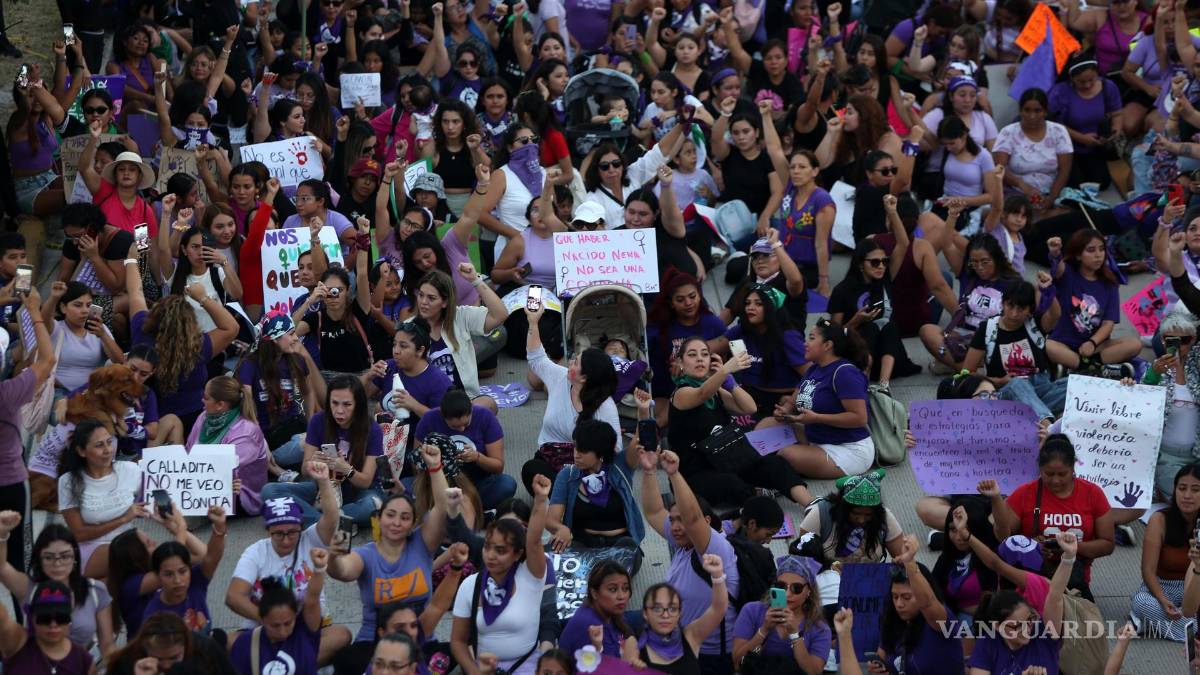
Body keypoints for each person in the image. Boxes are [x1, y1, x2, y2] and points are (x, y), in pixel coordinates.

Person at [225, 467, 351, 665]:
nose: (286, 540)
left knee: (341, 636)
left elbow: (332, 518)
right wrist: (272, 621)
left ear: (301, 528)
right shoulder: (255, 552)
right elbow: (233, 597)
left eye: (292, 532)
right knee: (229, 642)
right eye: (279, 534)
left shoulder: (311, 539)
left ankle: (278, 665)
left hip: (306, 628)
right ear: (268, 532)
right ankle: (295, 664)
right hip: (264, 629)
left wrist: (324, 481)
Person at [667, 337, 811, 507]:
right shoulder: (680, 394)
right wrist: (724, 371)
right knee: (732, 484)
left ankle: (812, 505)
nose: (699, 358)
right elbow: (701, 394)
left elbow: (749, 408)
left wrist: (730, 382)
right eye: (692, 354)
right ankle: (759, 499)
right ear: (681, 362)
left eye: (705, 354)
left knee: (776, 464)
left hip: (726, 461)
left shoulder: (717, 390)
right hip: (696, 473)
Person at [640, 449, 739, 674]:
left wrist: (674, 474)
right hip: (680, 642)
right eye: (673, 520)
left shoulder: (715, 548)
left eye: (681, 520)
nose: (675, 526)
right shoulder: (683, 543)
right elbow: (654, 511)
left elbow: (692, 518)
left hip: (710, 657)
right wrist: (648, 471)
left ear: (706, 521)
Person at [990, 434, 1120, 600]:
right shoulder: (1025, 493)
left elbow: (1108, 545)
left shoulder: (1092, 493)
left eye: (1062, 474)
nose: (1056, 481)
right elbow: (1004, 537)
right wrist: (1032, 547)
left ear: (1073, 468)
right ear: (1039, 469)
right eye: (1049, 474)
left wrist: (1072, 548)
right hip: (1030, 578)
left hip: (1073, 581)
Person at [125, 243, 238, 433]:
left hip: (151, 421)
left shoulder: (142, 331)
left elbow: (135, 293)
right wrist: (203, 298)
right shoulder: (198, 346)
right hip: (193, 420)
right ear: (189, 322)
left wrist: (131, 259)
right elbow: (231, 327)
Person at [326, 467, 449, 641]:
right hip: (374, 642)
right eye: (390, 515)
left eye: (405, 518)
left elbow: (444, 508)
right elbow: (342, 572)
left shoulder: (422, 543)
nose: (396, 523)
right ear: (378, 518)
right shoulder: (366, 554)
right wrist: (333, 556)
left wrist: (435, 467)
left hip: (420, 641)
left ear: (413, 524)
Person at [449, 473, 551, 675]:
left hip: (526, 668)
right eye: (488, 547)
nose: (491, 556)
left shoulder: (532, 577)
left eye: (501, 550)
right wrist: (474, 672)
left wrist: (540, 500)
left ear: (517, 554)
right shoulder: (470, 585)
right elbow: (458, 642)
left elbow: (534, 541)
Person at [519, 301, 620, 492]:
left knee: (587, 485)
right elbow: (537, 358)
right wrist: (533, 322)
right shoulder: (560, 378)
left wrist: (585, 459)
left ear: (585, 377)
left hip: (586, 466)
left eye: (576, 363)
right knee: (532, 470)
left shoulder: (605, 406)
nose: (570, 362)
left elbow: (615, 449)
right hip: (551, 458)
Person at [260, 376, 384, 527]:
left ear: (358, 405)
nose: (339, 410)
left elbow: (365, 481)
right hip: (325, 487)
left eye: (347, 404)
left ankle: (321, 520)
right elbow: (305, 470)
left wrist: (345, 469)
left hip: (359, 491)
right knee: (269, 491)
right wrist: (314, 464)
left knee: (372, 505)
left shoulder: (372, 429)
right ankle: (335, 522)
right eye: (334, 403)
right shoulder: (319, 421)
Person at [828, 198, 916, 390]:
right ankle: (863, 380)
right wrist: (856, 321)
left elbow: (903, 243)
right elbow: (834, 334)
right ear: (860, 264)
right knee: (870, 328)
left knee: (889, 326)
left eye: (884, 261)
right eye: (875, 262)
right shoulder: (842, 290)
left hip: (888, 355)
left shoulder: (885, 278)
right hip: (857, 353)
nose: (881, 266)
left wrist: (892, 212)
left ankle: (884, 385)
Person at [770, 319, 873, 479]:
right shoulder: (814, 369)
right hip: (816, 438)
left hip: (848, 449)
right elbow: (793, 400)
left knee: (786, 455)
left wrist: (817, 418)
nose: (805, 343)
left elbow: (860, 418)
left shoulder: (845, 373)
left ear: (827, 345)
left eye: (811, 338)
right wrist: (785, 411)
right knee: (767, 424)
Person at [0, 516, 114, 659]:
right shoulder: (28, 587)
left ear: (75, 558)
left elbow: (107, 644)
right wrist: (2, 534)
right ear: (39, 560)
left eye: (65, 556)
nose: (57, 564)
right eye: (49, 557)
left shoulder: (96, 591)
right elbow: (2, 567)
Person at [966, 533, 1075, 672]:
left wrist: (1068, 558)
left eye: (1030, 620)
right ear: (998, 626)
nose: (1027, 629)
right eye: (1017, 626)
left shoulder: (1044, 633)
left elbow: (1055, 596)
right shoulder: (987, 644)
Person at [960, 280, 1065, 424]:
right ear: (1002, 303)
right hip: (1005, 391)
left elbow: (1056, 314)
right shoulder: (987, 329)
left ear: (1030, 310)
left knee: (1075, 385)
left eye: (1021, 308)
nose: (1014, 313)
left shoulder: (1036, 324)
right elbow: (966, 373)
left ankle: (1033, 414)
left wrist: (1048, 290)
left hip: (1041, 388)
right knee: (1017, 384)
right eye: (1010, 306)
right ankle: (1046, 426)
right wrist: (997, 381)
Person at [1045, 231, 1144, 375]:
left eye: (1101, 249)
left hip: (1095, 347)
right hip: (1064, 343)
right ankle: (1099, 369)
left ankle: (1076, 368)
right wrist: (1055, 253)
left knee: (1134, 344)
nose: (1098, 255)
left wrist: (1092, 343)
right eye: (1091, 250)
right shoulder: (1068, 274)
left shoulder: (1110, 283)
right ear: (1078, 255)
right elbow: (1058, 267)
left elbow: (1108, 324)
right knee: (1047, 346)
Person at [105, 503, 209, 640]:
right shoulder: (131, 584)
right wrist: (181, 526)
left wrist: (173, 527)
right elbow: (170, 566)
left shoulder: (157, 569)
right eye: (148, 543)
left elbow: (203, 555)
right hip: (147, 649)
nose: (154, 542)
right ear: (136, 556)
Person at [410, 267, 507, 411]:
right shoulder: (409, 328)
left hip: (464, 401)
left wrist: (475, 280)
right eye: (421, 295)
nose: (423, 302)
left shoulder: (461, 316)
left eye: (431, 298)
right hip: (429, 405)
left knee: (488, 404)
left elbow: (500, 314)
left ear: (444, 302)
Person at [547, 416, 645, 556]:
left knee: (611, 571)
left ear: (600, 453)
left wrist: (643, 410)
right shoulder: (567, 475)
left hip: (620, 544)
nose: (576, 455)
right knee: (551, 554)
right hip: (581, 544)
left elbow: (639, 439)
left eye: (583, 451)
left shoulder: (621, 467)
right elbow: (551, 520)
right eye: (575, 448)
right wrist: (561, 528)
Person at [56, 420, 141, 580]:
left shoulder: (130, 470)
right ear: (82, 451)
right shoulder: (68, 481)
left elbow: (159, 495)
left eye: (109, 442)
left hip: (127, 545)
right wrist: (123, 519)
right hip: (90, 548)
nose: (107, 450)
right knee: (131, 558)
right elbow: (79, 534)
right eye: (99, 445)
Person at [229, 548, 330, 674]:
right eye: (275, 625)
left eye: (288, 623)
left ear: (295, 616)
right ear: (262, 618)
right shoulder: (245, 644)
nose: (283, 632)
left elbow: (312, 598)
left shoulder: (305, 631)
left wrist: (319, 569)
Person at [1129, 463, 1200, 641]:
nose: (1187, 496)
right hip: (1162, 587)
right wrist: (1162, 600)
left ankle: (1152, 625)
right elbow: (1148, 570)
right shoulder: (1159, 519)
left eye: (1195, 490)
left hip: (1195, 588)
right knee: (1142, 602)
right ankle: (1191, 634)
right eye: (1182, 488)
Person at [414, 389, 516, 510]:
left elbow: (498, 467)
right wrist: (437, 462)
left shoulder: (485, 417)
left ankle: (463, 511)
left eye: (466, 424)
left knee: (506, 484)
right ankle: (466, 511)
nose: (462, 429)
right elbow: (416, 463)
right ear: (442, 416)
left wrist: (477, 457)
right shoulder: (429, 419)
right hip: (440, 483)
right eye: (454, 427)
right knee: (407, 487)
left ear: (471, 410)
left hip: (477, 482)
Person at [875, 536, 964, 673]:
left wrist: (909, 562)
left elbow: (927, 603)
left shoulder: (940, 622)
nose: (899, 604)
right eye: (895, 597)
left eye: (906, 597)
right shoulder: (892, 622)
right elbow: (881, 658)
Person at [184, 376, 269, 516]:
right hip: (205, 482)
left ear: (220, 405)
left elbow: (225, 470)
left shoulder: (246, 432)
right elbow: (189, 449)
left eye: (206, 397)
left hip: (241, 494)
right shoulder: (204, 417)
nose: (202, 400)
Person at [731, 555, 830, 674]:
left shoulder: (819, 628)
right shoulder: (752, 611)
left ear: (809, 591)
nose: (787, 594)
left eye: (796, 588)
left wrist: (794, 634)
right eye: (781, 586)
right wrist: (764, 630)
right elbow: (738, 664)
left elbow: (813, 672)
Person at [140, 505, 227, 634]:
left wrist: (219, 527)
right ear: (158, 576)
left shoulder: (196, 582)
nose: (178, 580)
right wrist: (180, 527)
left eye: (182, 571)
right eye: (168, 574)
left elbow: (212, 557)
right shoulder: (154, 615)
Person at [793, 470, 905, 565]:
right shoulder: (820, 514)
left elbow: (903, 560)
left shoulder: (885, 517)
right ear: (843, 508)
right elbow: (803, 560)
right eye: (855, 513)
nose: (861, 520)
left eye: (868, 515)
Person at [992, 88, 1072, 218]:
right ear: (1020, 110)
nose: (1032, 116)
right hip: (1016, 192)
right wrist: (1023, 186)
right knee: (1017, 214)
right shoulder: (1008, 132)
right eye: (1027, 110)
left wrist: (1050, 199)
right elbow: (999, 168)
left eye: (1037, 110)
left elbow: (1064, 170)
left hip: (1051, 192)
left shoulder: (1059, 131)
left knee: (1068, 214)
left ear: (1045, 111)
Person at [1049, 55, 1124, 190]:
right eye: (1081, 82)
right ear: (1072, 79)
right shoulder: (1060, 92)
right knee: (1075, 184)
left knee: (1102, 183)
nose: (1087, 85)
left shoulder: (1108, 87)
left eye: (1091, 80)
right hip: (1067, 147)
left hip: (1095, 147)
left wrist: (1115, 130)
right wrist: (1081, 138)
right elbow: (1053, 124)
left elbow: (1117, 113)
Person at [41, 280, 125, 396]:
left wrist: (103, 335)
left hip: (93, 393)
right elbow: (44, 318)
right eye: (78, 305)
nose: (85, 310)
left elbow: (120, 361)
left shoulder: (100, 329)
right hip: (60, 392)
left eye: (89, 305)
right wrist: (54, 298)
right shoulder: (56, 328)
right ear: (63, 308)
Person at [0, 580, 93, 674]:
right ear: (32, 617)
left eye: (61, 618)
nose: (53, 625)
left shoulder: (83, 660)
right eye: (45, 618)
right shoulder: (18, 643)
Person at [106, 612, 236, 675]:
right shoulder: (125, 664)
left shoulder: (206, 651)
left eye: (174, 657)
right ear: (144, 648)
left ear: (187, 645)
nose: (167, 665)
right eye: (158, 659)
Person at [557, 560, 636, 658]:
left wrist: (631, 639)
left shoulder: (609, 611)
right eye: (613, 589)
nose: (621, 596)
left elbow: (625, 629)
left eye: (625, 589)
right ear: (594, 593)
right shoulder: (591, 627)